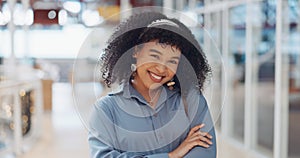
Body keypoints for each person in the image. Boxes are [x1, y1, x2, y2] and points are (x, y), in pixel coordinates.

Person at [88, 11, 217, 158]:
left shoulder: (191, 99)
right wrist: (172, 155)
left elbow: (205, 152)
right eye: (155, 56)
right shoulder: (106, 110)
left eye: (172, 61)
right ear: (136, 51)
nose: (162, 69)